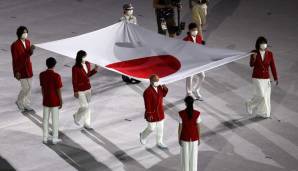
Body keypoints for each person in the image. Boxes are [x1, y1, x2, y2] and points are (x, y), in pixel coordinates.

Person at [246, 36, 278, 118]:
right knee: (261, 95)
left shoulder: (270, 54)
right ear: (258, 44)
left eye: (265, 43)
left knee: (266, 97)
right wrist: (253, 58)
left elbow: (273, 66)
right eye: (262, 43)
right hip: (257, 77)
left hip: (266, 78)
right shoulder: (254, 52)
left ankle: (263, 112)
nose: (264, 45)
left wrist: (275, 78)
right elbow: (251, 65)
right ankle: (249, 104)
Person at [140, 74, 168, 149]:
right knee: (151, 128)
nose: (157, 82)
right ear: (151, 81)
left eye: (158, 80)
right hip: (152, 113)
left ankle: (159, 142)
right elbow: (147, 105)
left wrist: (165, 87)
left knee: (160, 128)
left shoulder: (159, 87)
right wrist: (149, 114)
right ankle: (143, 135)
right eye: (155, 80)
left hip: (160, 112)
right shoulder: (147, 92)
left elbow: (164, 94)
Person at [11, 26, 35, 112]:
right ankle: (19, 101)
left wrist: (31, 51)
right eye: (24, 32)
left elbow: (28, 54)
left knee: (30, 88)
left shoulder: (28, 42)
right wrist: (16, 71)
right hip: (21, 69)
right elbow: (16, 59)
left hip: (29, 68)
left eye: (26, 32)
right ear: (19, 33)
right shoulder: (15, 45)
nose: (26, 34)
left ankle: (27, 104)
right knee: (25, 88)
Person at [72, 50, 99, 129]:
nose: (85, 58)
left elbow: (87, 75)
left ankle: (87, 124)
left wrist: (95, 70)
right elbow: (74, 80)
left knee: (87, 107)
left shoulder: (87, 64)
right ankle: (76, 116)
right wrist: (75, 91)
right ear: (80, 57)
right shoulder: (75, 68)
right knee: (85, 107)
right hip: (80, 90)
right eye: (84, 57)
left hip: (88, 88)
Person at [39, 57, 63, 144]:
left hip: (46, 100)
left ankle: (45, 138)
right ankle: (54, 138)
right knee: (55, 120)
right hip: (54, 101)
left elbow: (42, 88)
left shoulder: (41, 75)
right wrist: (60, 100)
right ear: (54, 65)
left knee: (45, 120)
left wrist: (44, 96)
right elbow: (58, 89)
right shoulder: (57, 76)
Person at [120, 3, 141, 84]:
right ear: (125, 11)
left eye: (132, 9)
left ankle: (134, 75)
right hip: (125, 41)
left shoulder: (134, 18)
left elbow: (137, 27)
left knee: (134, 59)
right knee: (125, 59)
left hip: (133, 40)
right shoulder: (122, 19)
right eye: (129, 10)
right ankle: (124, 75)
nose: (131, 11)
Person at [178, 96, 201, 171]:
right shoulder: (197, 113)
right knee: (193, 157)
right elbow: (198, 127)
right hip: (194, 138)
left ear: (185, 103)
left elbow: (180, 128)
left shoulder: (181, 114)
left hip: (184, 138)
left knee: (185, 157)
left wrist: (179, 139)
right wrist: (199, 138)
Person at [184, 23, 205, 101]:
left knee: (202, 76)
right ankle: (189, 93)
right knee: (190, 77)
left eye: (196, 30)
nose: (195, 31)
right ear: (189, 31)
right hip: (189, 62)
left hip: (197, 61)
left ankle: (196, 90)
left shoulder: (199, 38)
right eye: (193, 30)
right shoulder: (186, 40)